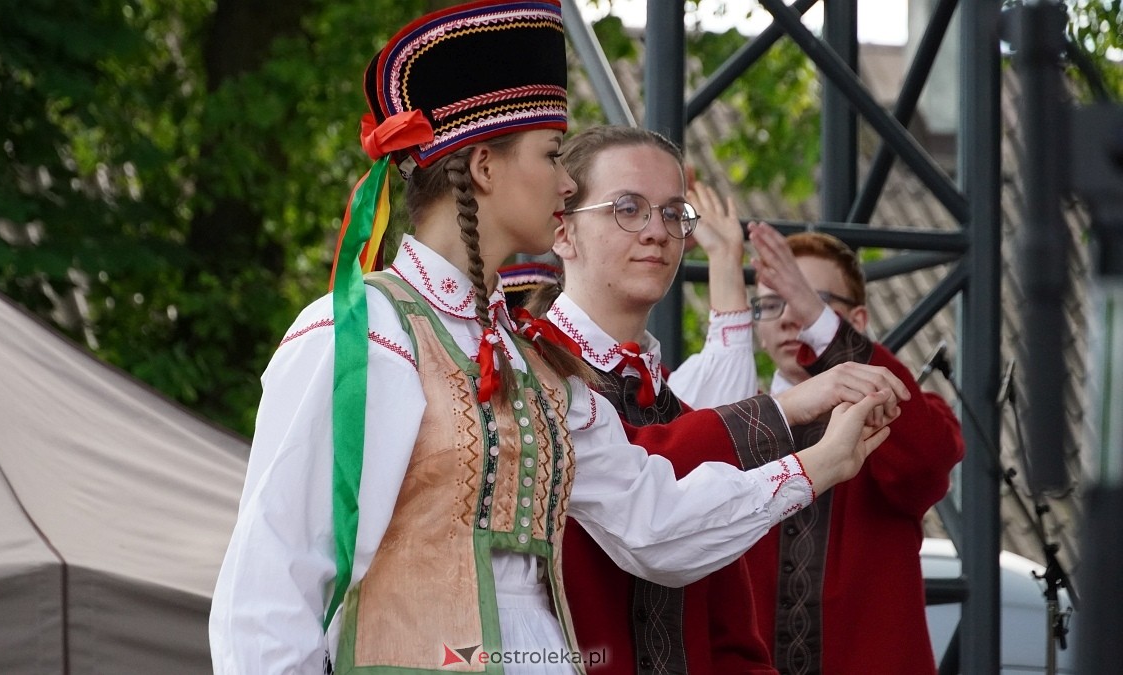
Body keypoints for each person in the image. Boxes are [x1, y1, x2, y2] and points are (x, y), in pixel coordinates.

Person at [208, 3, 898, 673]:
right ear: (484, 167)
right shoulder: (364, 336)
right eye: (551, 154)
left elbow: (654, 521)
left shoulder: (535, 363)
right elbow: (274, 584)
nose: (568, 183)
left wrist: (819, 464)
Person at [517, 125, 911, 674]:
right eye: (628, 209)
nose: (657, 232)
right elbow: (647, 482)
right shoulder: (523, 372)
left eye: (673, 213)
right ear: (564, 232)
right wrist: (791, 413)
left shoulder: (675, 408)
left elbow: (731, 640)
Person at [731, 224, 966, 674]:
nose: (789, 316)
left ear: (855, 321)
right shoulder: (733, 423)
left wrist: (822, 328)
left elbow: (929, 459)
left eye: (807, 300)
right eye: (772, 303)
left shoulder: (900, 416)